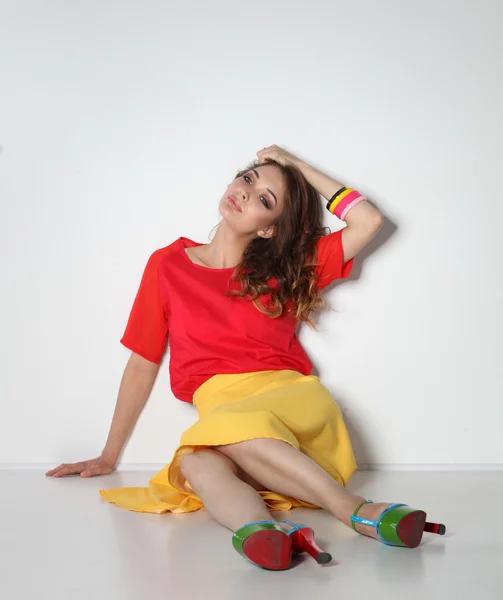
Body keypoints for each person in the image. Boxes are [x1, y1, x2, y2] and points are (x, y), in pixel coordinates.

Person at [46, 145, 445, 570]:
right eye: (249, 178)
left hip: (289, 405)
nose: (246, 191)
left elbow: (369, 222)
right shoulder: (167, 266)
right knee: (198, 461)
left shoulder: (288, 269)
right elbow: (142, 362)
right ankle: (265, 532)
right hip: (226, 415)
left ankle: (353, 510)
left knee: (229, 431)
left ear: (270, 229)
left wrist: (300, 167)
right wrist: (108, 456)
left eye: (265, 199)